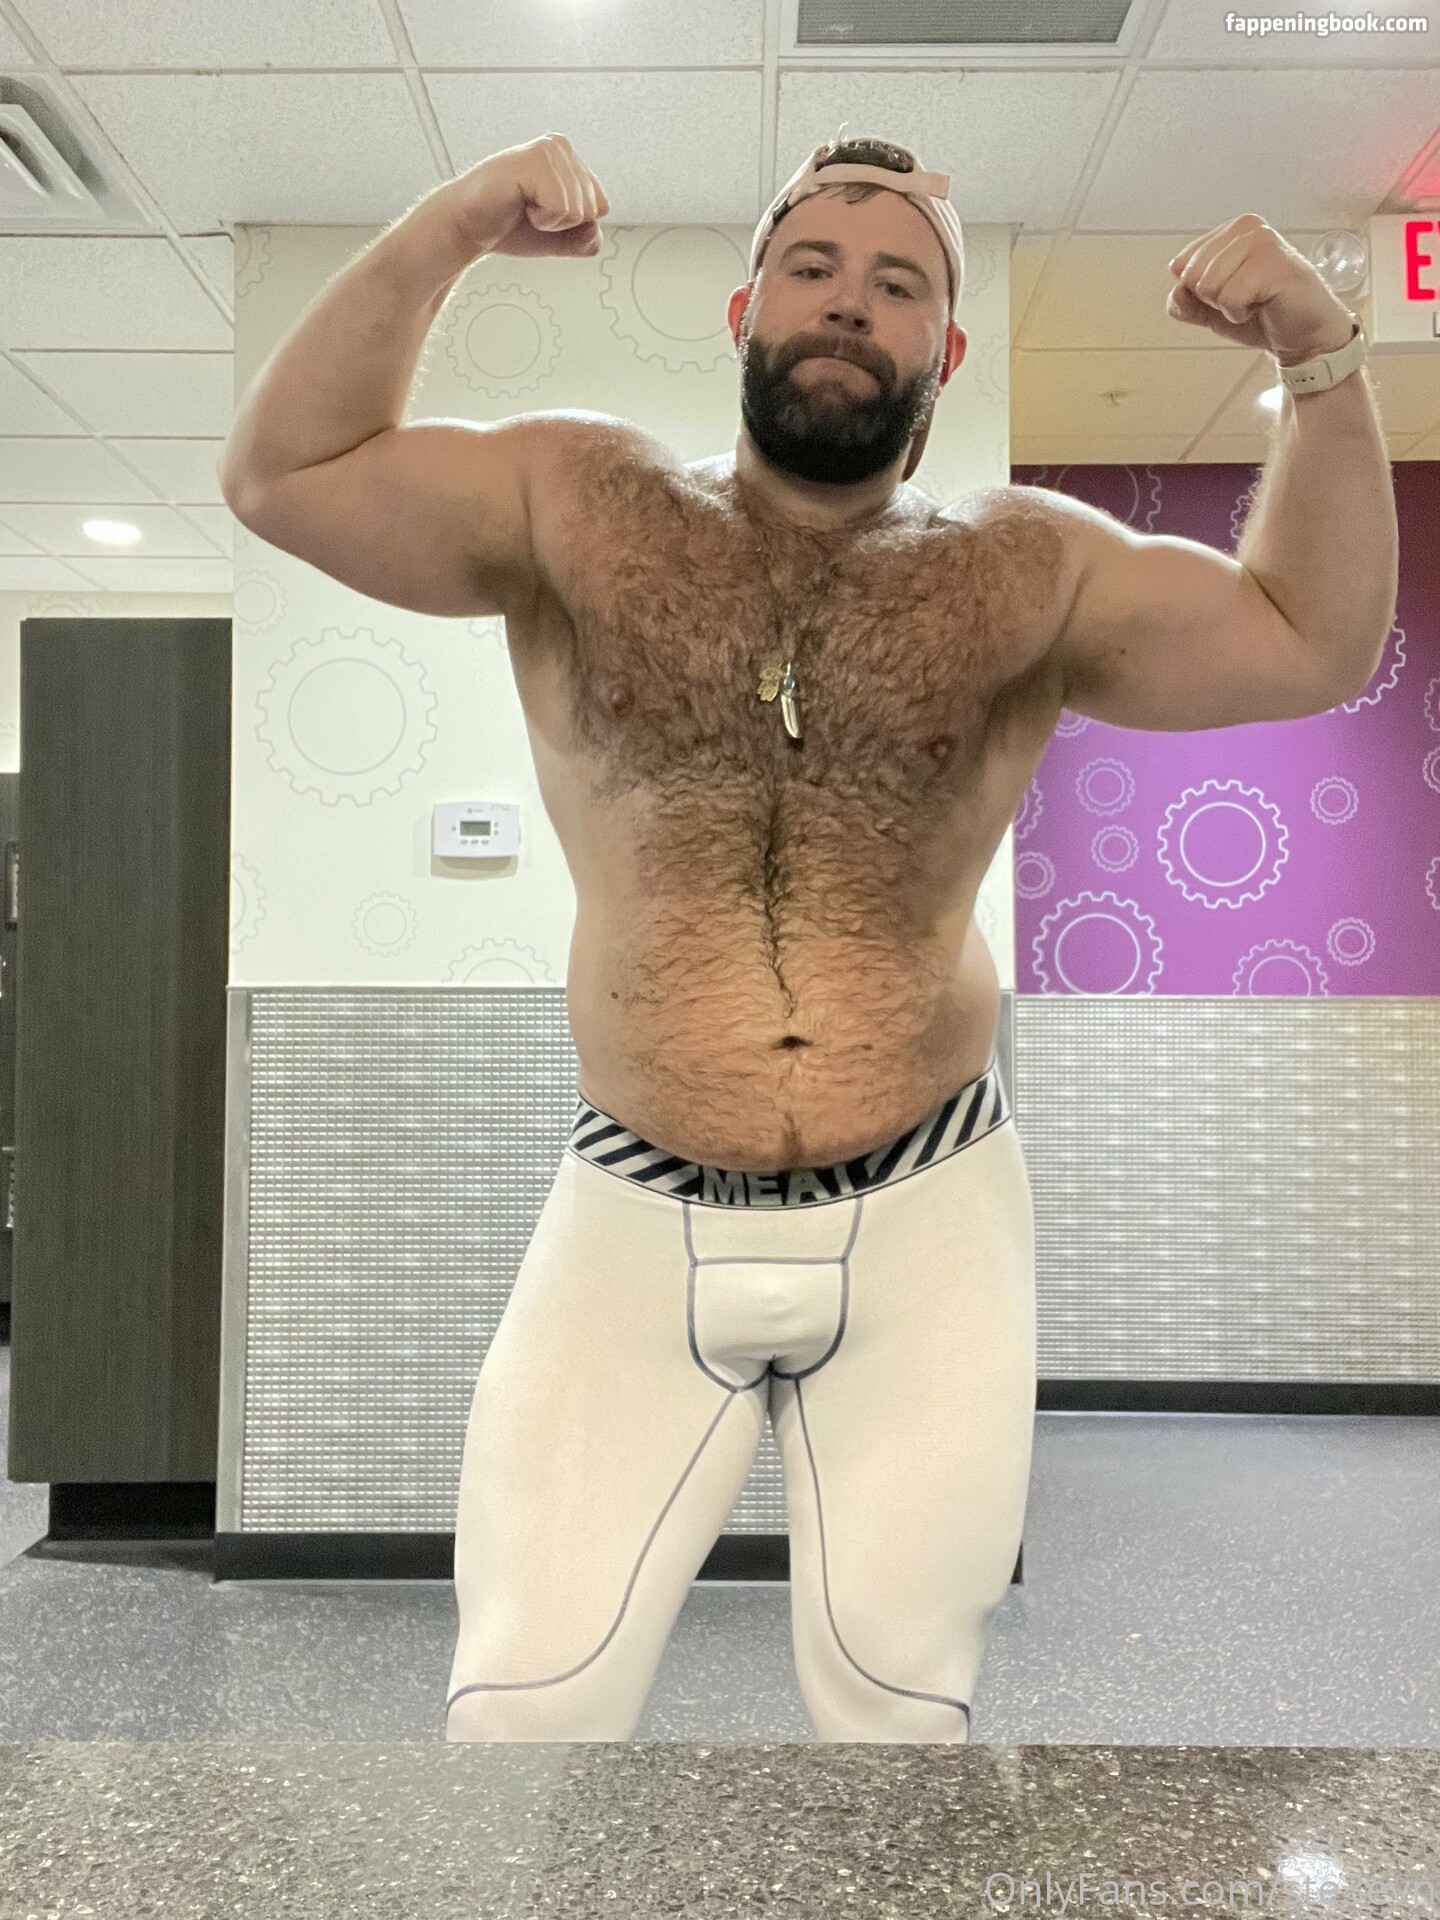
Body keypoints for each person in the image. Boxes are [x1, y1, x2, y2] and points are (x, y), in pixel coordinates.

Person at [218, 130, 1395, 1743]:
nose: (849, 302)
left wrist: (1321, 357)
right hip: (636, 1204)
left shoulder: (1024, 568)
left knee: (901, 1719)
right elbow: (284, 475)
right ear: (746, 308)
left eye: (899, 284)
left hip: (927, 1207)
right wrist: (456, 220)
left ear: (946, 353)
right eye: (814, 267)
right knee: (518, 1712)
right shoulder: (580, 502)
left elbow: (1313, 639)